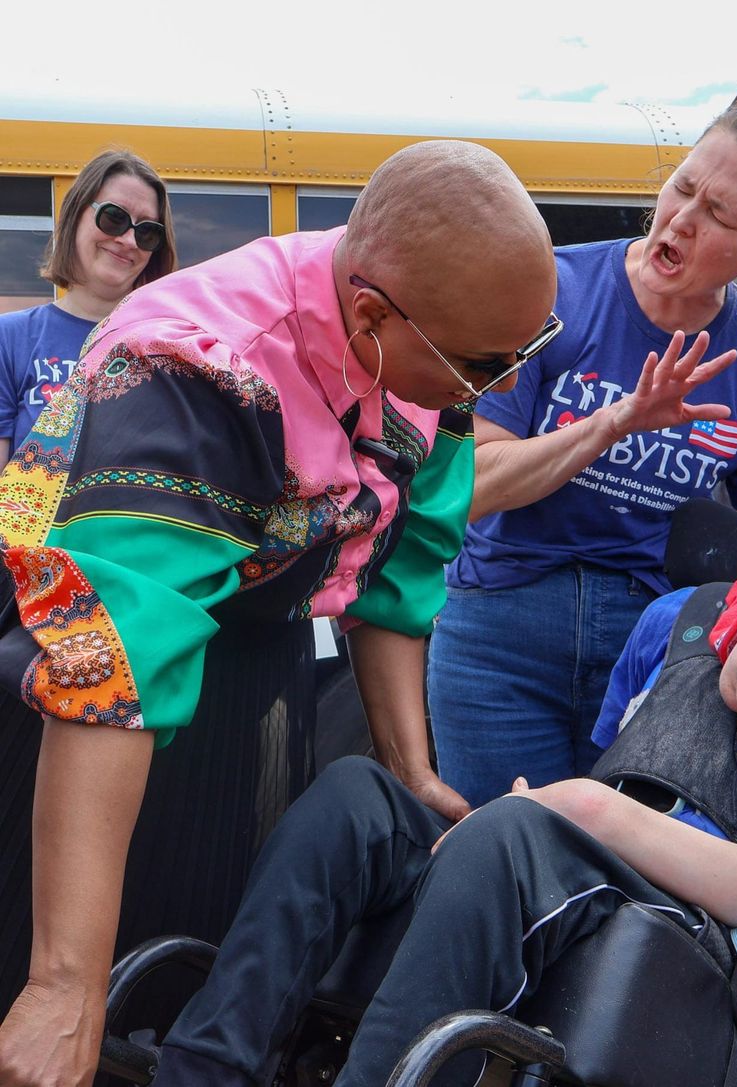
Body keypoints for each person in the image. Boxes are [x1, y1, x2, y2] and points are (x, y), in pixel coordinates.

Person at [0, 139, 560, 1087]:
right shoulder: (194, 368)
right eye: (481, 365)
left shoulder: (433, 340)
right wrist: (64, 982)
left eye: (520, 356)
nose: (495, 387)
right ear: (374, 315)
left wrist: (410, 770)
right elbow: (113, 665)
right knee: (62, 1007)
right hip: (67, 675)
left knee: (191, 963)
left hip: (248, 659)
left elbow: (396, 574)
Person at [151, 545, 737, 1086]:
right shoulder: (676, 620)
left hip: (699, 945)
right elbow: (625, 767)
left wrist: (576, 810)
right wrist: (573, 810)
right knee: (358, 799)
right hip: (567, 874)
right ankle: (205, 1066)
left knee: (517, 835)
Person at [428, 82, 737, 808]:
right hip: (501, 627)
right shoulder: (551, 287)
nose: (679, 220)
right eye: (682, 186)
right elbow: (476, 482)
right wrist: (615, 421)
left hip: (652, 637)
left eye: (718, 214)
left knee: (620, 876)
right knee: (496, 851)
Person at [0, 149, 177, 462]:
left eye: (147, 231)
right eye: (114, 218)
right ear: (76, 213)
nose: (129, 240)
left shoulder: (172, 345)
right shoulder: (9, 339)